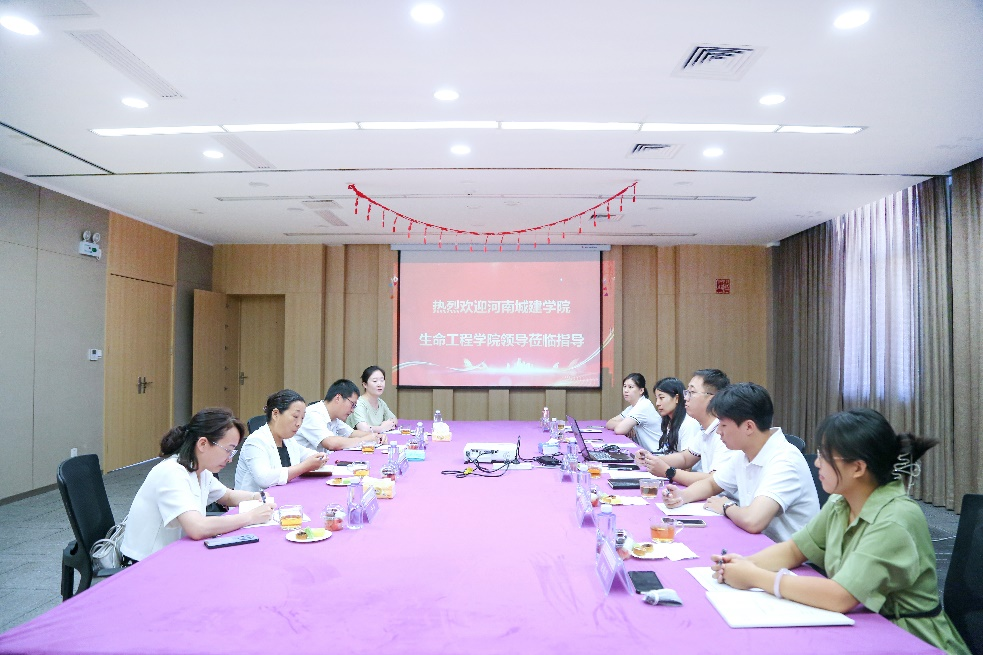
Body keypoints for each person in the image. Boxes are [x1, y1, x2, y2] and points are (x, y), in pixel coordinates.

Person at [710, 408, 969, 655]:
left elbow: (840, 597)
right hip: (864, 624)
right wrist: (742, 564)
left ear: (858, 468)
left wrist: (754, 577)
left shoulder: (894, 518)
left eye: (825, 456)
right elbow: (795, 549)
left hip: (909, 638)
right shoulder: (841, 502)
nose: (817, 463)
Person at [662, 382, 819, 542]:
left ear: (749, 427)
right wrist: (682, 496)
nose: (718, 431)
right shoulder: (743, 453)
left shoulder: (784, 460)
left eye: (723, 425)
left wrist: (726, 507)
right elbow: (712, 484)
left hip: (785, 551)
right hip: (756, 541)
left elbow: (753, 521)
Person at [120, 407, 276, 562]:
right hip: (145, 563)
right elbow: (197, 528)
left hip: (174, 554)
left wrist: (257, 496)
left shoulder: (199, 470)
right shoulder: (172, 472)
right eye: (228, 450)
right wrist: (250, 517)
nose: (230, 459)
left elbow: (227, 496)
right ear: (202, 444)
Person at [637, 369, 736, 487]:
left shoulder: (724, 432)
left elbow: (715, 479)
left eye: (692, 392)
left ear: (712, 398)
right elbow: (685, 458)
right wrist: (650, 460)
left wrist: (668, 472)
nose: (686, 398)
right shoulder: (705, 429)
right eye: (687, 392)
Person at [234, 389, 328, 492]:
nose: (299, 423)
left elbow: (310, 455)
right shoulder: (256, 441)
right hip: (256, 500)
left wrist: (321, 457)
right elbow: (264, 479)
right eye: (295, 416)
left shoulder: (288, 441)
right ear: (275, 414)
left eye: (302, 418)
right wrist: (304, 466)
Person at [294, 379, 379, 452]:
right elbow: (331, 443)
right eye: (352, 404)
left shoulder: (334, 418)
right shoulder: (313, 414)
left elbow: (351, 433)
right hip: (306, 465)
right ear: (338, 398)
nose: (352, 410)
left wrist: (376, 436)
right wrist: (363, 440)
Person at [632, 376, 703, 461]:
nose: (657, 403)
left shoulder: (689, 424)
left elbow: (687, 464)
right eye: (656, 398)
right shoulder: (668, 422)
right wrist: (648, 458)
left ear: (676, 398)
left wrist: (654, 461)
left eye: (661, 398)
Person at [605, 373, 661, 452]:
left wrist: (624, 425)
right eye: (624, 386)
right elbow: (609, 423)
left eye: (630, 387)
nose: (626, 390)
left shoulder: (643, 406)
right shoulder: (632, 407)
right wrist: (626, 425)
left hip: (658, 454)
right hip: (647, 453)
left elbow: (619, 430)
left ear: (641, 390)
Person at [347, 365, 398, 435]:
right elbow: (363, 429)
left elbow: (394, 419)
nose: (379, 384)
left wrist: (388, 424)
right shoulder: (358, 403)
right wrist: (382, 428)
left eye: (382, 380)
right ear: (365, 384)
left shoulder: (380, 402)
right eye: (375, 381)